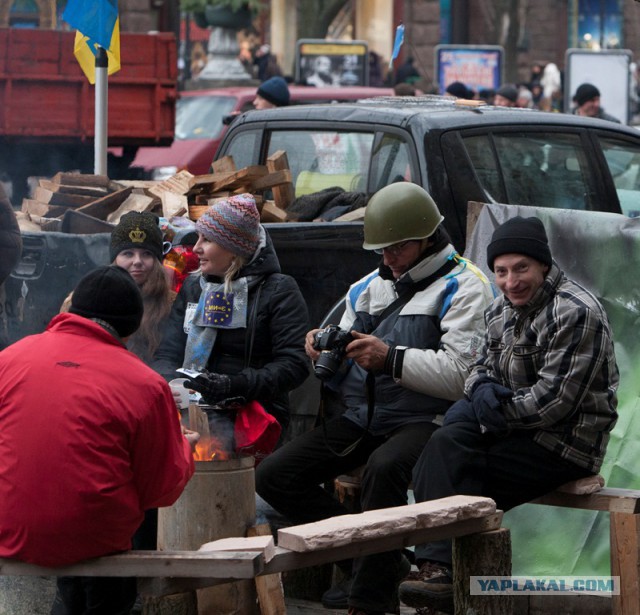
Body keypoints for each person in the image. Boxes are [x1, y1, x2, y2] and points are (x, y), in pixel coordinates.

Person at [256, 182, 495, 615]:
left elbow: (463, 377)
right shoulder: (369, 286)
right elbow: (340, 356)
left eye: (395, 250)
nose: (386, 260)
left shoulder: (467, 287)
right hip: (369, 415)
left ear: (426, 239)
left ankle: (368, 600)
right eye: (381, 250)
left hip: (436, 421)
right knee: (275, 475)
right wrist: (320, 349)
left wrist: (390, 359)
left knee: (384, 469)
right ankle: (377, 564)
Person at [398, 216, 619, 614]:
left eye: (522, 269)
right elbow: (477, 367)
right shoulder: (500, 309)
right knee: (446, 441)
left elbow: (553, 403)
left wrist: (487, 410)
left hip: (564, 443)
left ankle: (437, 572)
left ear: (543, 267)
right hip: (511, 430)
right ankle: (437, 572)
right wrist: (481, 390)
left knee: (455, 467)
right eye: (501, 271)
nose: (511, 281)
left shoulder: (576, 311)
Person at [0, 265, 197, 614]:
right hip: (94, 539)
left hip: (8, 528)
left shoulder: (9, 359)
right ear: (131, 325)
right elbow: (161, 490)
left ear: (72, 310)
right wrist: (184, 446)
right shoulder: (144, 383)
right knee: (100, 558)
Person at [151, 193, 309, 440]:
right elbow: (167, 352)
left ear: (234, 250)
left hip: (254, 419)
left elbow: (294, 365)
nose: (196, 248)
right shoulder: (195, 287)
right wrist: (169, 382)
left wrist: (234, 385)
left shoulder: (278, 290)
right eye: (198, 237)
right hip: (193, 415)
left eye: (208, 240)